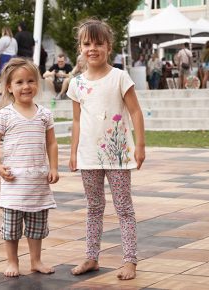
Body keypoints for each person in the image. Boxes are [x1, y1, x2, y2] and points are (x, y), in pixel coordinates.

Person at [67, 19, 145, 280]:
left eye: (99, 43)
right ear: (80, 47)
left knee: (124, 208)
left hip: (118, 154)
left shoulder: (120, 77)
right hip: (88, 155)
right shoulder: (76, 84)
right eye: (87, 43)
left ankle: (130, 260)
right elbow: (77, 120)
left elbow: (135, 111)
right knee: (94, 207)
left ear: (108, 46)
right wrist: (73, 151)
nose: (93, 48)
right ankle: (91, 256)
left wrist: (140, 145)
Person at [0, 58, 59, 277]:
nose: (26, 86)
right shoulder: (4, 115)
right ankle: (12, 261)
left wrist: (54, 167)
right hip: (14, 182)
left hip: (38, 181)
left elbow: (51, 143)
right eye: (19, 82)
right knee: (11, 228)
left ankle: (36, 260)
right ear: (9, 87)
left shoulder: (45, 114)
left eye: (30, 81)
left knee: (37, 226)